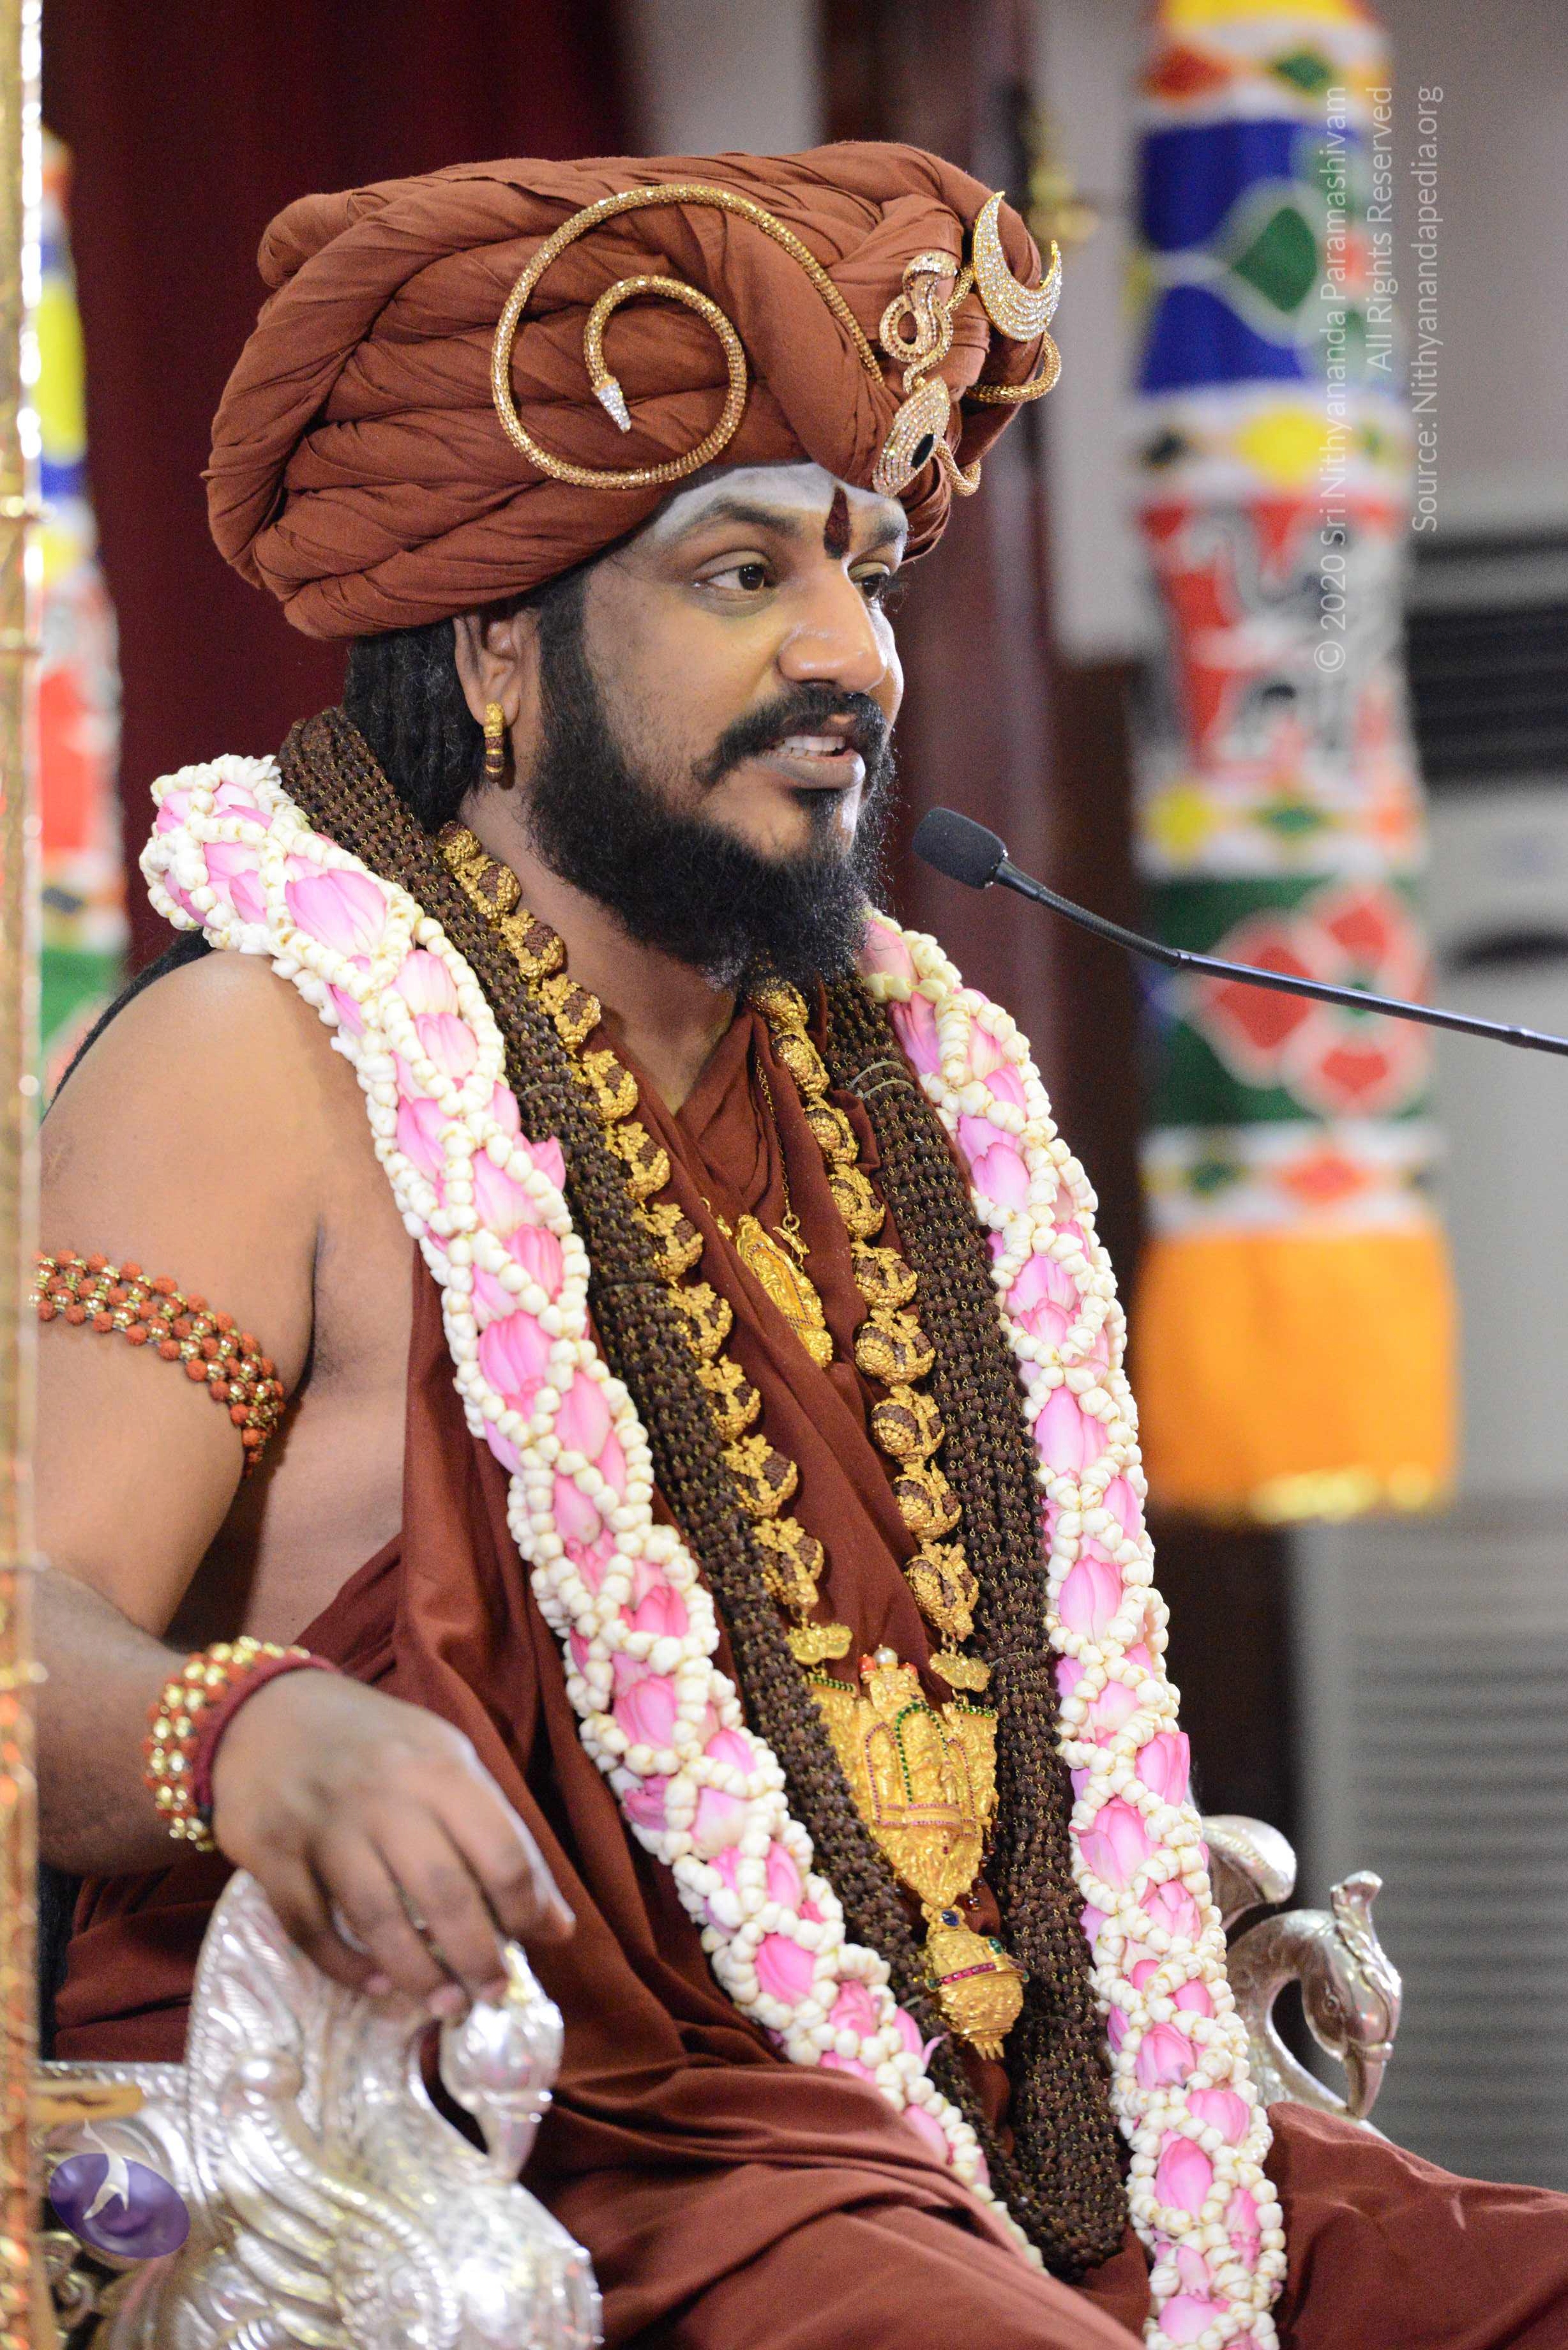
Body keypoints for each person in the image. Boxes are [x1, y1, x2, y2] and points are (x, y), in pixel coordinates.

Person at [33, 145, 1568, 2349]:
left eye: (866, 570)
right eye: (742, 573)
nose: (851, 656)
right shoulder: (262, 1064)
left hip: (1028, 2142)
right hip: (556, 2150)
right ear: (497, 644)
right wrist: (254, 1736)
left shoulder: (908, 1104)